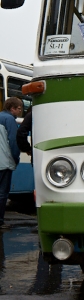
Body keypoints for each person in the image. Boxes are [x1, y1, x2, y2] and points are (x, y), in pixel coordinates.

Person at [0, 97, 22, 230]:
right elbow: (14, 143)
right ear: (12, 108)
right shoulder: (10, 120)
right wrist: (16, 158)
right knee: (2, 193)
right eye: (19, 108)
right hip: (3, 162)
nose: (20, 111)